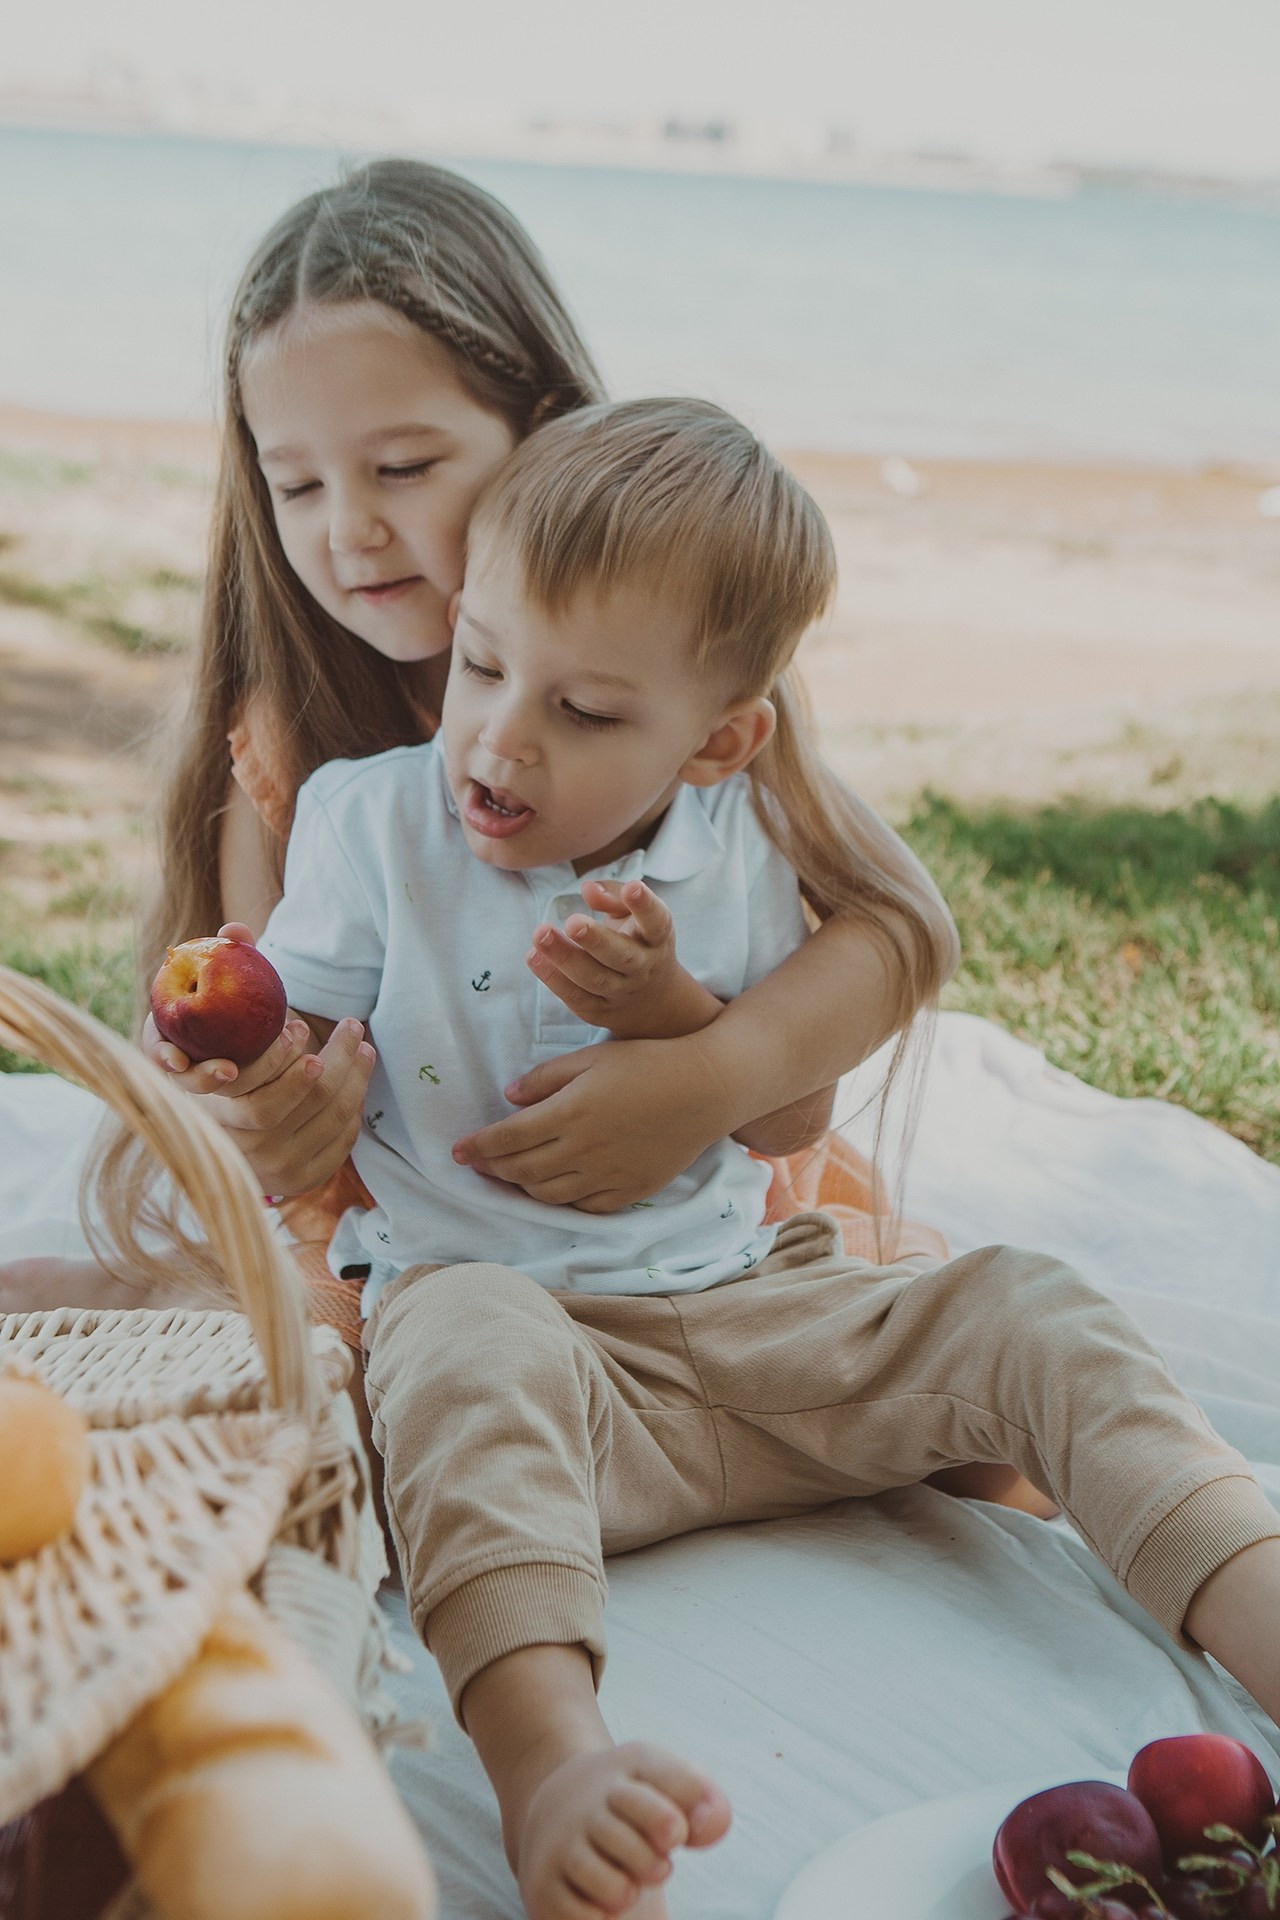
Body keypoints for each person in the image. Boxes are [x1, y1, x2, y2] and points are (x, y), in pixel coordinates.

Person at [242, 399, 1280, 1920]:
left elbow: (787, 1122)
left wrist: (675, 1018)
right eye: (478, 663)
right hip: (546, 1379)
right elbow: (285, 1038)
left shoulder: (736, 843)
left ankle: (1253, 1608)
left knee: (1026, 1307)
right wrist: (266, 1085)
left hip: (760, 1324)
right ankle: (553, 1767)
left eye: (588, 715)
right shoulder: (368, 828)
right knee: (452, 1333)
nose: (501, 735)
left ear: (721, 737)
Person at [2, 156, 957, 1325]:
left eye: (402, 468)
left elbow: (900, 927)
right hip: (419, 1229)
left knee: (967, 1426)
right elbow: (275, 1032)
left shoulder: (670, 682)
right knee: (319, 1358)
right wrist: (257, 1111)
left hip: (674, 1211)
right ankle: (150, 1295)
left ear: (538, 427)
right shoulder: (294, 739)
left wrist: (706, 1080)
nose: (350, 531)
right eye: (296, 485)